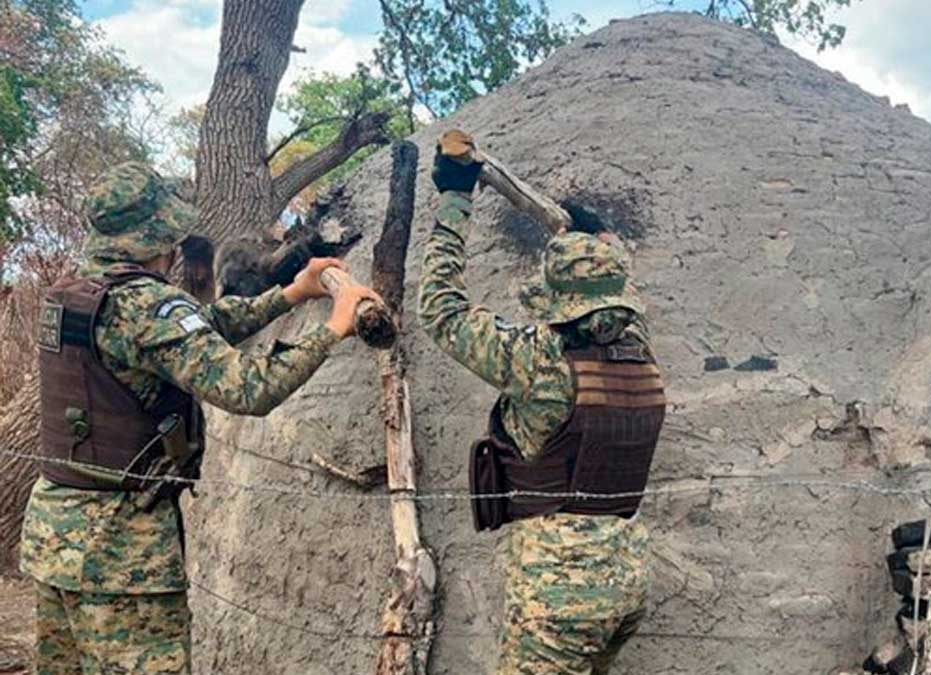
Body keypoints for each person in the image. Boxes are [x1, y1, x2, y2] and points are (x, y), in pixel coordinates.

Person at [21, 161, 381, 674]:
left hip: (53, 538)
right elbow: (250, 389)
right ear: (157, 234)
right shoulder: (147, 306)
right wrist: (334, 329)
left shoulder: (77, 294)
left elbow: (196, 331)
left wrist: (289, 295)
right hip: (123, 556)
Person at [419, 137, 666, 674]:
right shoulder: (637, 348)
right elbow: (624, 289)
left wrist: (455, 200)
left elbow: (440, 309)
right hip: (627, 574)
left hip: (557, 592)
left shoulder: (537, 359)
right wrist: (596, 237)